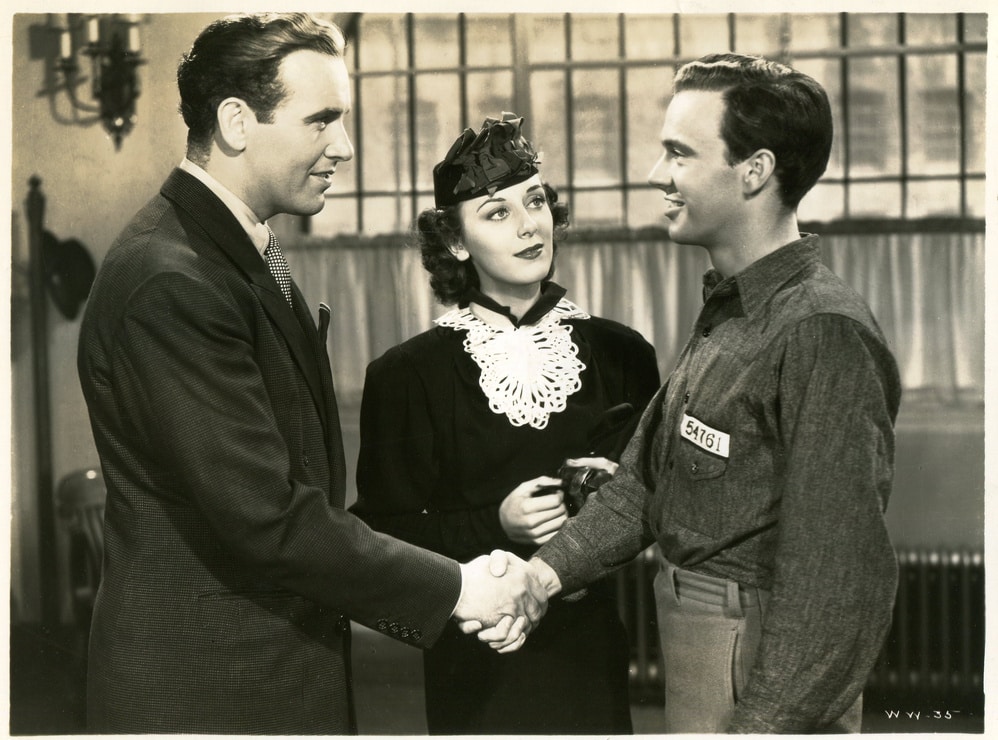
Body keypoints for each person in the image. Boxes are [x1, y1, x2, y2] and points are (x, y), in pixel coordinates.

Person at [76, 14, 545, 734]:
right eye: (321, 120)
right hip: (209, 687)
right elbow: (266, 519)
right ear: (236, 121)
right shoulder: (170, 279)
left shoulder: (238, 249)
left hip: (270, 667)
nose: (345, 147)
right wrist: (458, 586)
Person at [529, 53, 902, 733]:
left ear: (754, 171)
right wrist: (540, 577)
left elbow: (833, 585)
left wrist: (761, 727)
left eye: (678, 153)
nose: (654, 174)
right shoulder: (733, 311)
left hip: (760, 674)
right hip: (705, 650)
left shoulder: (820, 330)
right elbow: (647, 481)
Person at [351, 113, 660, 734]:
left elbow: (655, 505)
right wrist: (494, 523)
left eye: (537, 201)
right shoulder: (406, 376)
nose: (528, 226)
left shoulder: (622, 355)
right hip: (476, 671)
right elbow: (380, 538)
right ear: (455, 242)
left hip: (591, 657)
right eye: (497, 212)